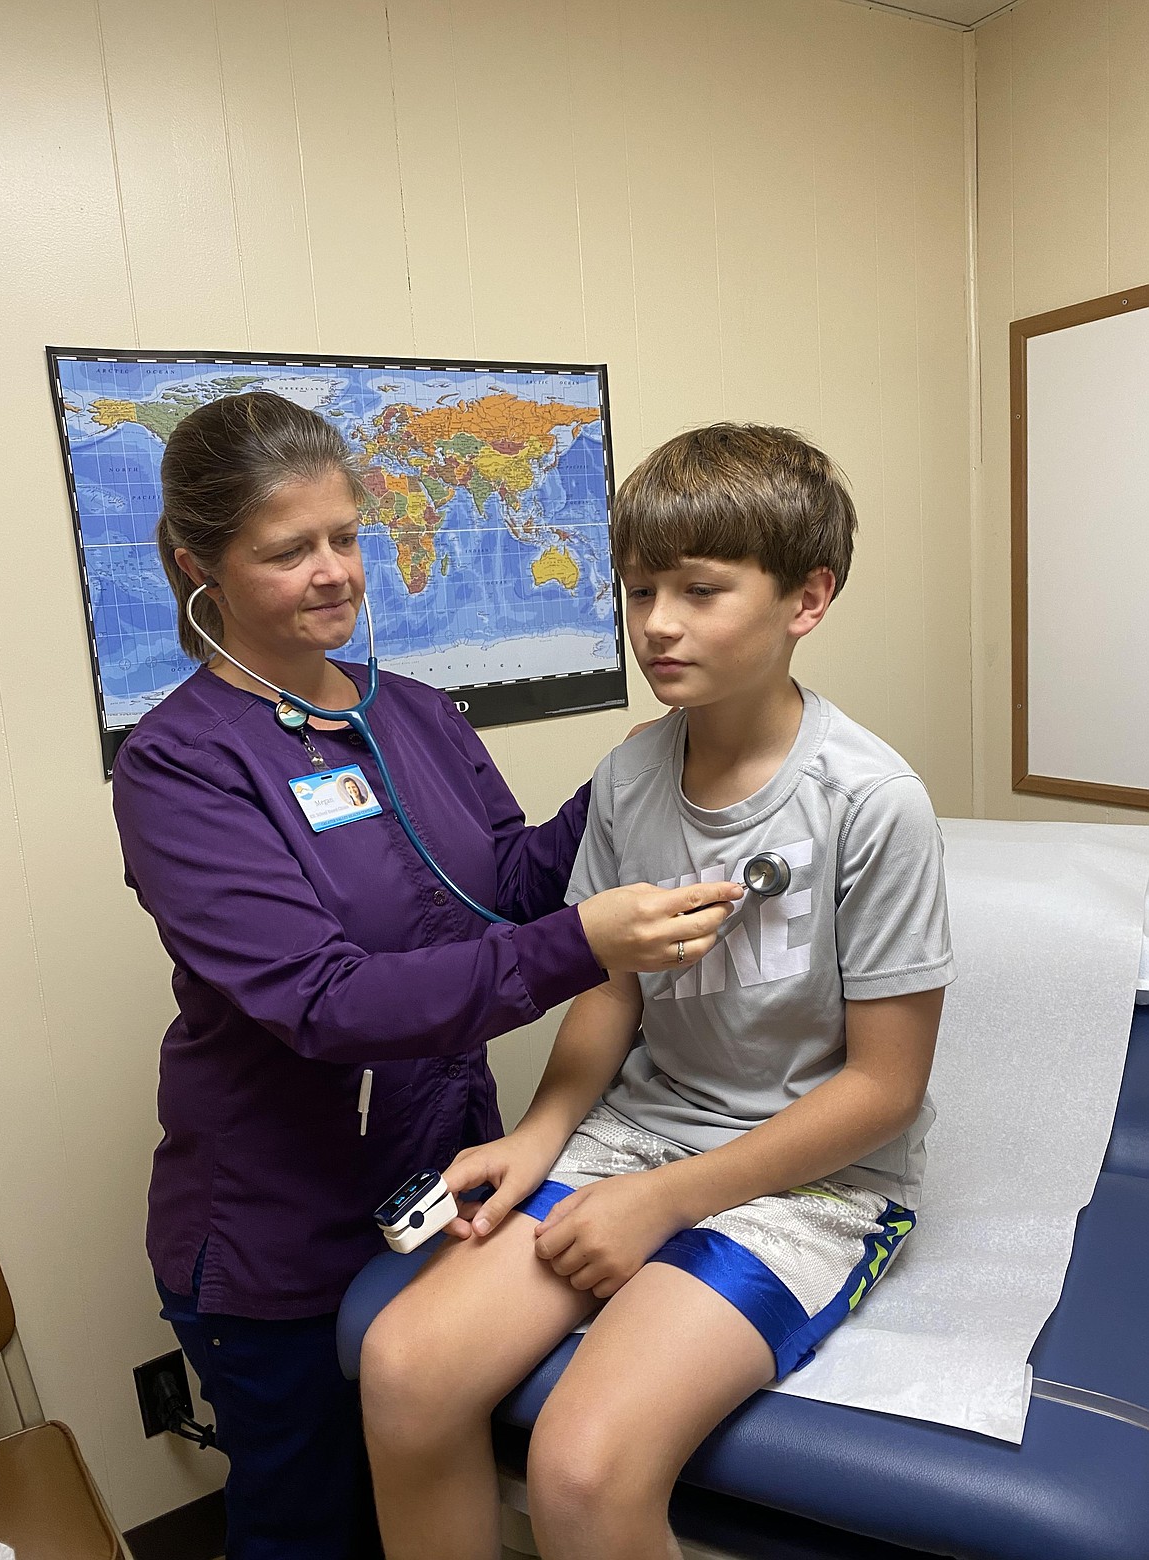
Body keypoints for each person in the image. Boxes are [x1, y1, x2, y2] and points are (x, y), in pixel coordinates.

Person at [110, 392, 741, 1560]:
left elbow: (504, 878)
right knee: (318, 1522)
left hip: (445, 1176)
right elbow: (323, 1002)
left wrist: (653, 762)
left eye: (345, 536)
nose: (334, 572)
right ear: (199, 568)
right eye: (286, 550)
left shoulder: (415, 713)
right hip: (278, 1228)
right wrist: (586, 943)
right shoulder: (177, 767)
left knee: (429, 1486)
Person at [360, 423, 956, 1560]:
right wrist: (542, 1135)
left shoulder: (872, 802)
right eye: (639, 592)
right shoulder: (633, 774)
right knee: (404, 1372)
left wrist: (671, 1201)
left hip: (812, 1181)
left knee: (583, 1467)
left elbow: (884, 1091)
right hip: (636, 1137)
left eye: (700, 590)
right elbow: (610, 988)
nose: (657, 626)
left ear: (807, 599)